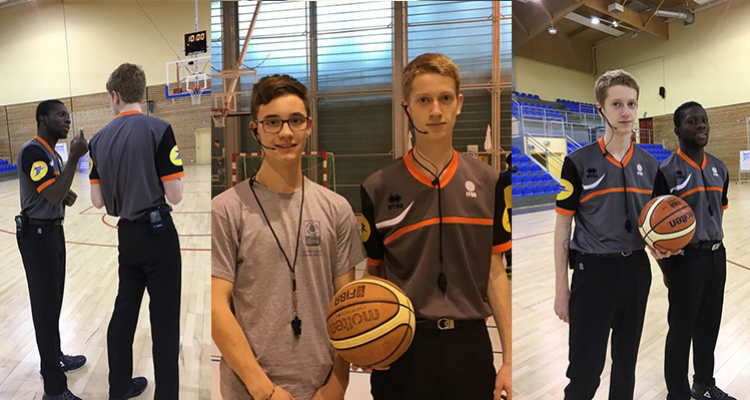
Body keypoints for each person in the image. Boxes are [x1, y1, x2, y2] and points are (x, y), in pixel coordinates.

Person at [359, 53, 512, 400]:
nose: (436, 110)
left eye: (445, 98)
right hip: (402, 345)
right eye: (423, 100)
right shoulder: (377, 187)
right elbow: (374, 275)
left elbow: (495, 273)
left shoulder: (491, 181)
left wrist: (510, 359)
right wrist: (371, 341)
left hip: (470, 344)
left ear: (459, 104)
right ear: (406, 108)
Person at [211, 74, 365, 400]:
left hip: (320, 389)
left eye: (295, 121)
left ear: (308, 126)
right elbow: (216, 308)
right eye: (272, 122)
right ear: (255, 130)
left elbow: (346, 308)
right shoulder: (225, 210)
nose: (285, 132)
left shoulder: (336, 209)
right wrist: (264, 390)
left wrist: (338, 384)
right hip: (249, 391)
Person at [553, 69, 667, 399]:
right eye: (617, 104)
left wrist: (663, 253)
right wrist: (562, 290)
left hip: (635, 272)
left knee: (625, 367)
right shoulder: (576, 162)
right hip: (593, 273)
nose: (626, 112)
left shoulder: (651, 165)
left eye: (631, 104)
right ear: (600, 108)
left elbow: (655, 225)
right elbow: (563, 225)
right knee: (585, 373)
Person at [89, 63, 184, 399]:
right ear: (139, 92)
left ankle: (118, 389)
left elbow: (97, 200)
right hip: (159, 235)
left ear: (115, 95)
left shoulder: (97, 140)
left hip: (126, 235)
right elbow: (175, 195)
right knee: (164, 321)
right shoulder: (159, 129)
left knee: (124, 311)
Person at [653, 101, 734, 400]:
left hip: (717, 256)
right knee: (681, 332)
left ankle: (704, 385)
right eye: (692, 121)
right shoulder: (666, 171)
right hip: (685, 261)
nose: (701, 125)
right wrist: (668, 271)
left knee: (709, 327)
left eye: (704, 120)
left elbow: (719, 210)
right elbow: (657, 229)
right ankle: (678, 394)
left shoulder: (719, 167)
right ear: (677, 130)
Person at [16, 99, 88, 400]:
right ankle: (54, 389)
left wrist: (62, 191)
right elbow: (54, 195)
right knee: (45, 311)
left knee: (54, 305)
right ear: (43, 119)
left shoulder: (50, 155)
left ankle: (54, 357)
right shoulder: (34, 151)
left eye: (68, 116)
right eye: (61, 115)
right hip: (38, 237)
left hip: (52, 235)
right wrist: (74, 158)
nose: (67, 120)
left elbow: (54, 192)